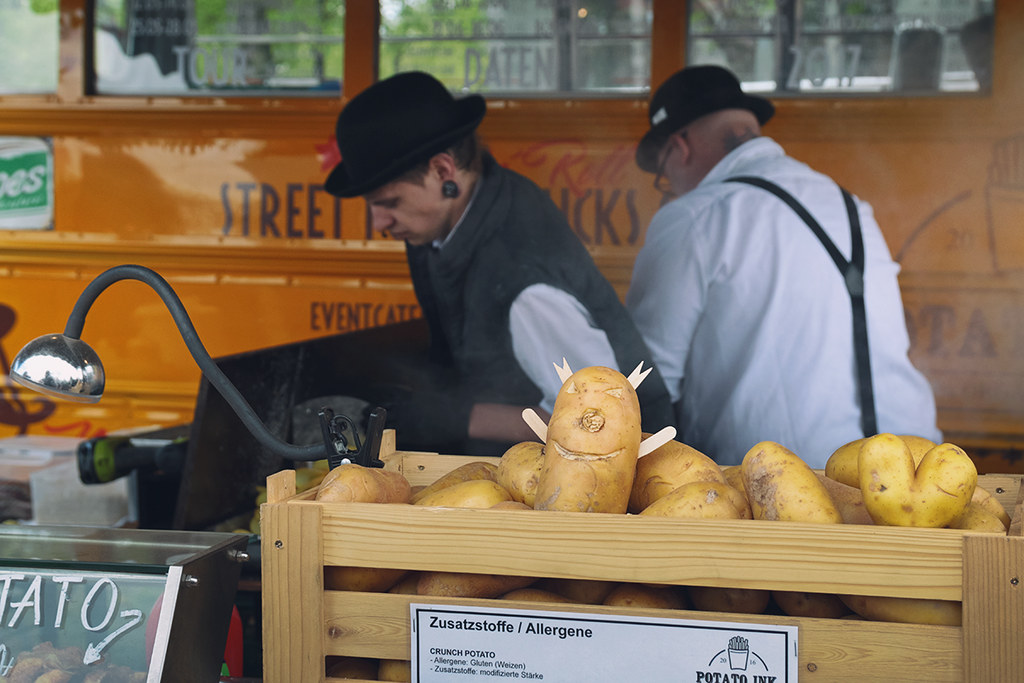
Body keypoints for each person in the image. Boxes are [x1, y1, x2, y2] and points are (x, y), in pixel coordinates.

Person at [325, 71, 673, 455]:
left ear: (443, 171)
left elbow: (598, 417)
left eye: (389, 203)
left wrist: (457, 416)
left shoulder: (523, 280)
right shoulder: (447, 220)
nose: (379, 224)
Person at [626, 65, 942, 468]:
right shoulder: (848, 205)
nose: (668, 183)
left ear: (680, 147)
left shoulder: (695, 216)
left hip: (794, 483)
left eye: (663, 171)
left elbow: (648, 382)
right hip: (917, 464)